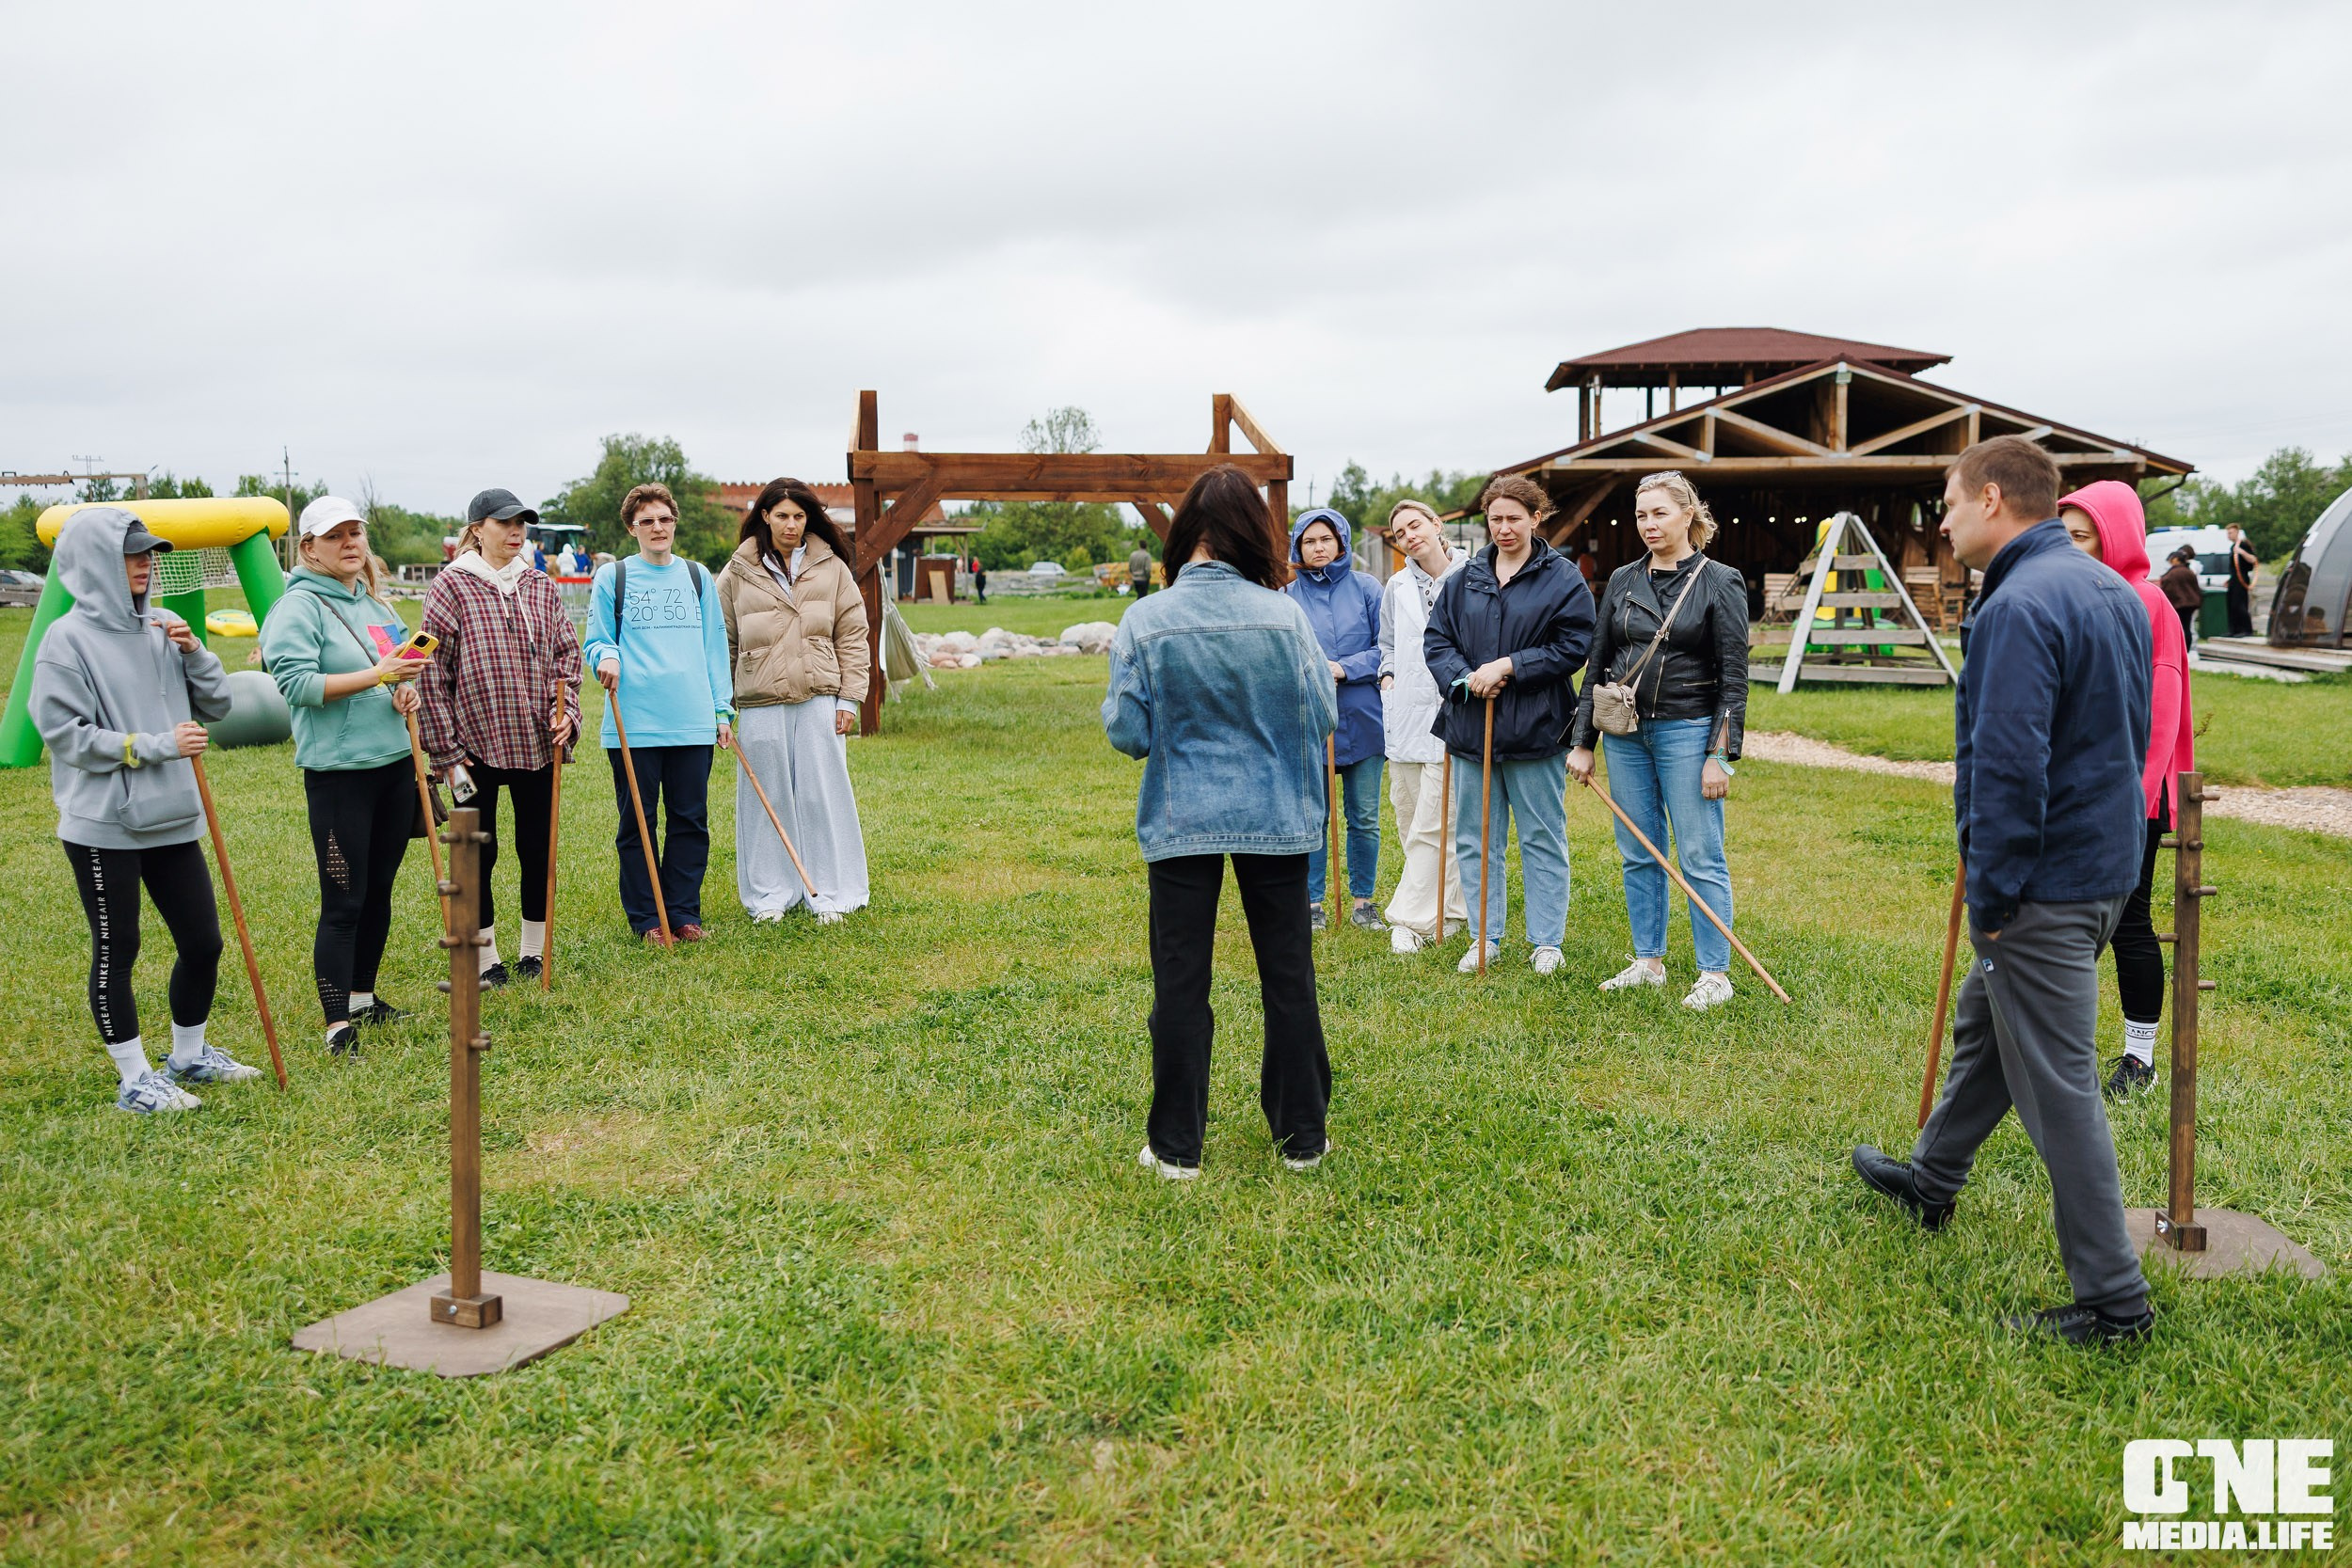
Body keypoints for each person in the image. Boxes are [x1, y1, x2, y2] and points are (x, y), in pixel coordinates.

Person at [1852, 436, 2155, 1347]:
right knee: (1987, 1027)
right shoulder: (2109, 588)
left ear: (1992, 497)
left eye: (1946, 502)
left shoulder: (2020, 600)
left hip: (2041, 884)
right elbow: (2121, 736)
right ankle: (1932, 1178)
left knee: (2058, 1085)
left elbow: (2012, 759)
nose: (1939, 521)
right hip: (2101, 870)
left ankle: (2113, 1300)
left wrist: (1994, 889)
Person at [1102, 464, 1337, 1178]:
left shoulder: (1147, 618)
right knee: (1288, 976)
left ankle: (1177, 1147)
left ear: (1184, 537)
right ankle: (1302, 1137)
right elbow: (1323, 712)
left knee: (1180, 983)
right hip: (1276, 815)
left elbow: (1128, 732)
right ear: (1250, 533)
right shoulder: (1285, 614)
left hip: (1183, 817)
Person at [31, 507, 257, 1111]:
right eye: (131, 553)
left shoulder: (165, 624)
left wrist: (194, 654)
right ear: (95, 562)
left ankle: (188, 1056)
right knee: (118, 945)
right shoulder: (66, 639)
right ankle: (133, 1079)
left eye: (149, 553)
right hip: (103, 823)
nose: (144, 563)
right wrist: (154, 746)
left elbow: (217, 706)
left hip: (173, 814)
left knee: (203, 942)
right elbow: (64, 735)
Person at [1567, 471, 1750, 1010]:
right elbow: (1598, 661)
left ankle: (1715, 973)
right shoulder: (1623, 579)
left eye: (1660, 513)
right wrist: (1584, 742)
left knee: (1699, 852)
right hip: (1625, 733)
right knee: (1638, 850)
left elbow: (1734, 678)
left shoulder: (1720, 580)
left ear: (1688, 515)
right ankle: (1648, 961)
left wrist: (1719, 754)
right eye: (1642, 515)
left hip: (1688, 731)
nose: (1648, 524)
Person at [261, 497, 432, 1054]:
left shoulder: (376, 605)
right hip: (340, 775)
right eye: (335, 536)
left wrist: (401, 686)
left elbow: (397, 666)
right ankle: (337, 1024)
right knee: (344, 900)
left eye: (355, 532)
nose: (351, 543)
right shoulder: (298, 607)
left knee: (378, 890)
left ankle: (362, 996)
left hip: (393, 767)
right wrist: (376, 674)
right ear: (308, 548)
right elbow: (298, 686)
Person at [1423, 475, 1596, 974]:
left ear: (1536, 519)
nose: (1503, 529)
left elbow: (1574, 644)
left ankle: (1547, 941)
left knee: (1542, 835)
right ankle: (1484, 937)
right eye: (1495, 519)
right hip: (1472, 727)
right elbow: (1438, 641)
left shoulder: (1561, 578)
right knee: (1477, 837)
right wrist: (1465, 679)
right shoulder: (1466, 577)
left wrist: (1511, 666)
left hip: (1536, 728)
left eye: (1513, 519)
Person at [418, 487, 584, 986]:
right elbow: (432, 671)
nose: (516, 532)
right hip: (473, 745)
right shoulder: (451, 586)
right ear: (477, 530)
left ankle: (533, 951)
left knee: (536, 848)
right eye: (504, 523)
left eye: (522, 524)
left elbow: (566, 658)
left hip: (536, 742)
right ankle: (486, 957)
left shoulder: (540, 585)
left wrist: (567, 713)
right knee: (477, 852)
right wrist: (446, 752)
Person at [2059, 483, 2194, 1097]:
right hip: (2085, 789)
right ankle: (2056, 1043)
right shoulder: (2076, 596)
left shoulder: (2148, 602)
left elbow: (2161, 712)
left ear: (2117, 537)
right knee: (2070, 921)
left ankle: (2140, 1060)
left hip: (2135, 795)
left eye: (2081, 536)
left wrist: (2133, 799)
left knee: (2127, 921)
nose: (2069, 547)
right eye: (2063, 535)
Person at [582, 483, 735, 944]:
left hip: (691, 722)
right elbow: (596, 640)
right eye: (647, 521)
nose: (657, 528)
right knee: (638, 823)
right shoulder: (613, 578)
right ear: (633, 528)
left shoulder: (697, 576)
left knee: (690, 821)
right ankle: (648, 920)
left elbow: (714, 648)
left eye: (664, 519)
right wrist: (606, 656)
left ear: (674, 523)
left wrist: (721, 710)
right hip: (635, 724)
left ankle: (684, 913)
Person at [718, 477, 872, 924]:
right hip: (761, 699)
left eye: (799, 516)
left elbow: (853, 634)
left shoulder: (831, 567)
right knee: (766, 797)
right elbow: (723, 640)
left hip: (820, 695)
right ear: (764, 516)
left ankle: (831, 891)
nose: (791, 524)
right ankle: (770, 896)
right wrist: (721, 705)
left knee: (822, 793)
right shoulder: (736, 571)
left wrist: (850, 698)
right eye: (782, 515)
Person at [1285, 506, 1386, 931]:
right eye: (1309, 541)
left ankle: (1363, 902)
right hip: (1310, 722)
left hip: (1363, 719)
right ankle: (1311, 905)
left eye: (1326, 539)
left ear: (1341, 542)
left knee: (1363, 816)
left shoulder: (1367, 588)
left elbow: (1389, 647)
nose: (1319, 547)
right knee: (1315, 816)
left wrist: (1344, 667)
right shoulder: (1286, 597)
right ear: (1298, 548)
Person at [1375, 499, 1468, 953]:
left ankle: (1408, 921)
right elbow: (1386, 642)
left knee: (1437, 818)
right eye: (1400, 533)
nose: (1410, 536)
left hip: (1452, 709)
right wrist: (1387, 677)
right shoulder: (1395, 584)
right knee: (1411, 817)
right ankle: (1448, 912)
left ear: (1436, 524)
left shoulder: (1473, 576)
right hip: (1405, 711)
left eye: (1416, 525)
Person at [2159, 545, 2203, 650]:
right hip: (2190, 603)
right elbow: (2195, 588)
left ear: (2176, 560)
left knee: (2178, 628)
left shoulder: (2171, 574)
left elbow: (2167, 590)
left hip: (2177, 604)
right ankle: (2187, 649)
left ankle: (2180, 649)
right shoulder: (2189, 572)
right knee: (2187, 627)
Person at [2224, 523, 2259, 637]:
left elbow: (2253, 560)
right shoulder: (2232, 547)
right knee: (2232, 604)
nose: (2228, 535)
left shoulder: (2243, 545)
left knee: (2240, 604)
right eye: (2227, 533)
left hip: (2242, 577)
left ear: (2237, 532)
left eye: (2230, 533)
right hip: (2234, 578)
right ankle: (2234, 629)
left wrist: (2242, 552)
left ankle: (2246, 629)